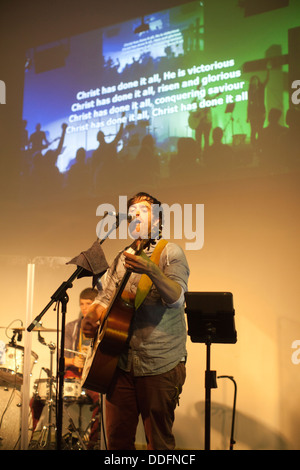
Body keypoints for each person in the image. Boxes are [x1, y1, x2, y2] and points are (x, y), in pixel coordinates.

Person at [82, 192, 190, 450]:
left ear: (158, 218)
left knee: (159, 443)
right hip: (119, 362)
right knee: (118, 442)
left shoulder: (170, 252)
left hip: (159, 362)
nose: (134, 215)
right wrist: (92, 315)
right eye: (131, 212)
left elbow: (176, 299)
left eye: (142, 210)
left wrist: (151, 270)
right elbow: (105, 297)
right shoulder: (123, 256)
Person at [64, 287, 101, 449]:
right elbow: (61, 358)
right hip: (74, 373)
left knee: (102, 402)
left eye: (89, 304)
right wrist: (72, 361)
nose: (84, 308)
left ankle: (92, 444)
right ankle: (33, 438)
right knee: (41, 396)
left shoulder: (103, 328)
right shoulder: (72, 327)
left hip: (93, 375)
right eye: (81, 304)